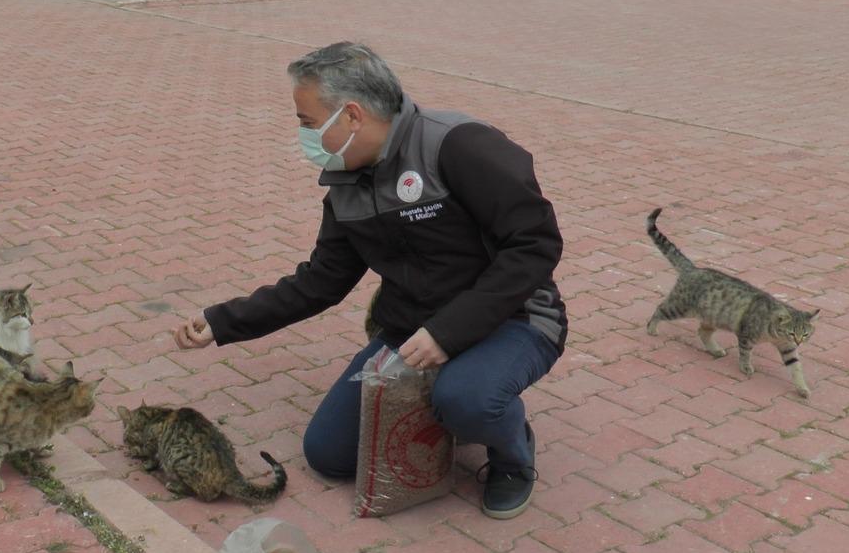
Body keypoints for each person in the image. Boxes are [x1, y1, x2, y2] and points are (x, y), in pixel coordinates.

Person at [173, 42, 567, 520]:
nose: (303, 133)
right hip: (411, 330)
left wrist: (449, 333)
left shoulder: (458, 144)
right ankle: (453, 406)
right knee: (329, 456)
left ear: (352, 114)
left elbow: (535, 247)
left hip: (514, 317)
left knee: (468, 399)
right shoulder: (344, 180)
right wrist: (222, 321)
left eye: (306, 120)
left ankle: (511, 454)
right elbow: (322, 281)